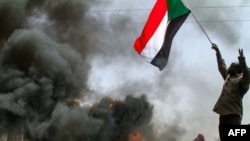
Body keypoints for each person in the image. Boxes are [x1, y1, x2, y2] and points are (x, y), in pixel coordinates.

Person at [211, 43, 250, 141]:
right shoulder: (228, 77)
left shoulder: (241, 82)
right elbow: (222, 66)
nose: (229, 66)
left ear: (237, 70)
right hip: (223, 115)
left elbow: (247, 75)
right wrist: (218, 52)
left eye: (232, 65)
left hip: (233, 116)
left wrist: (242, 61)